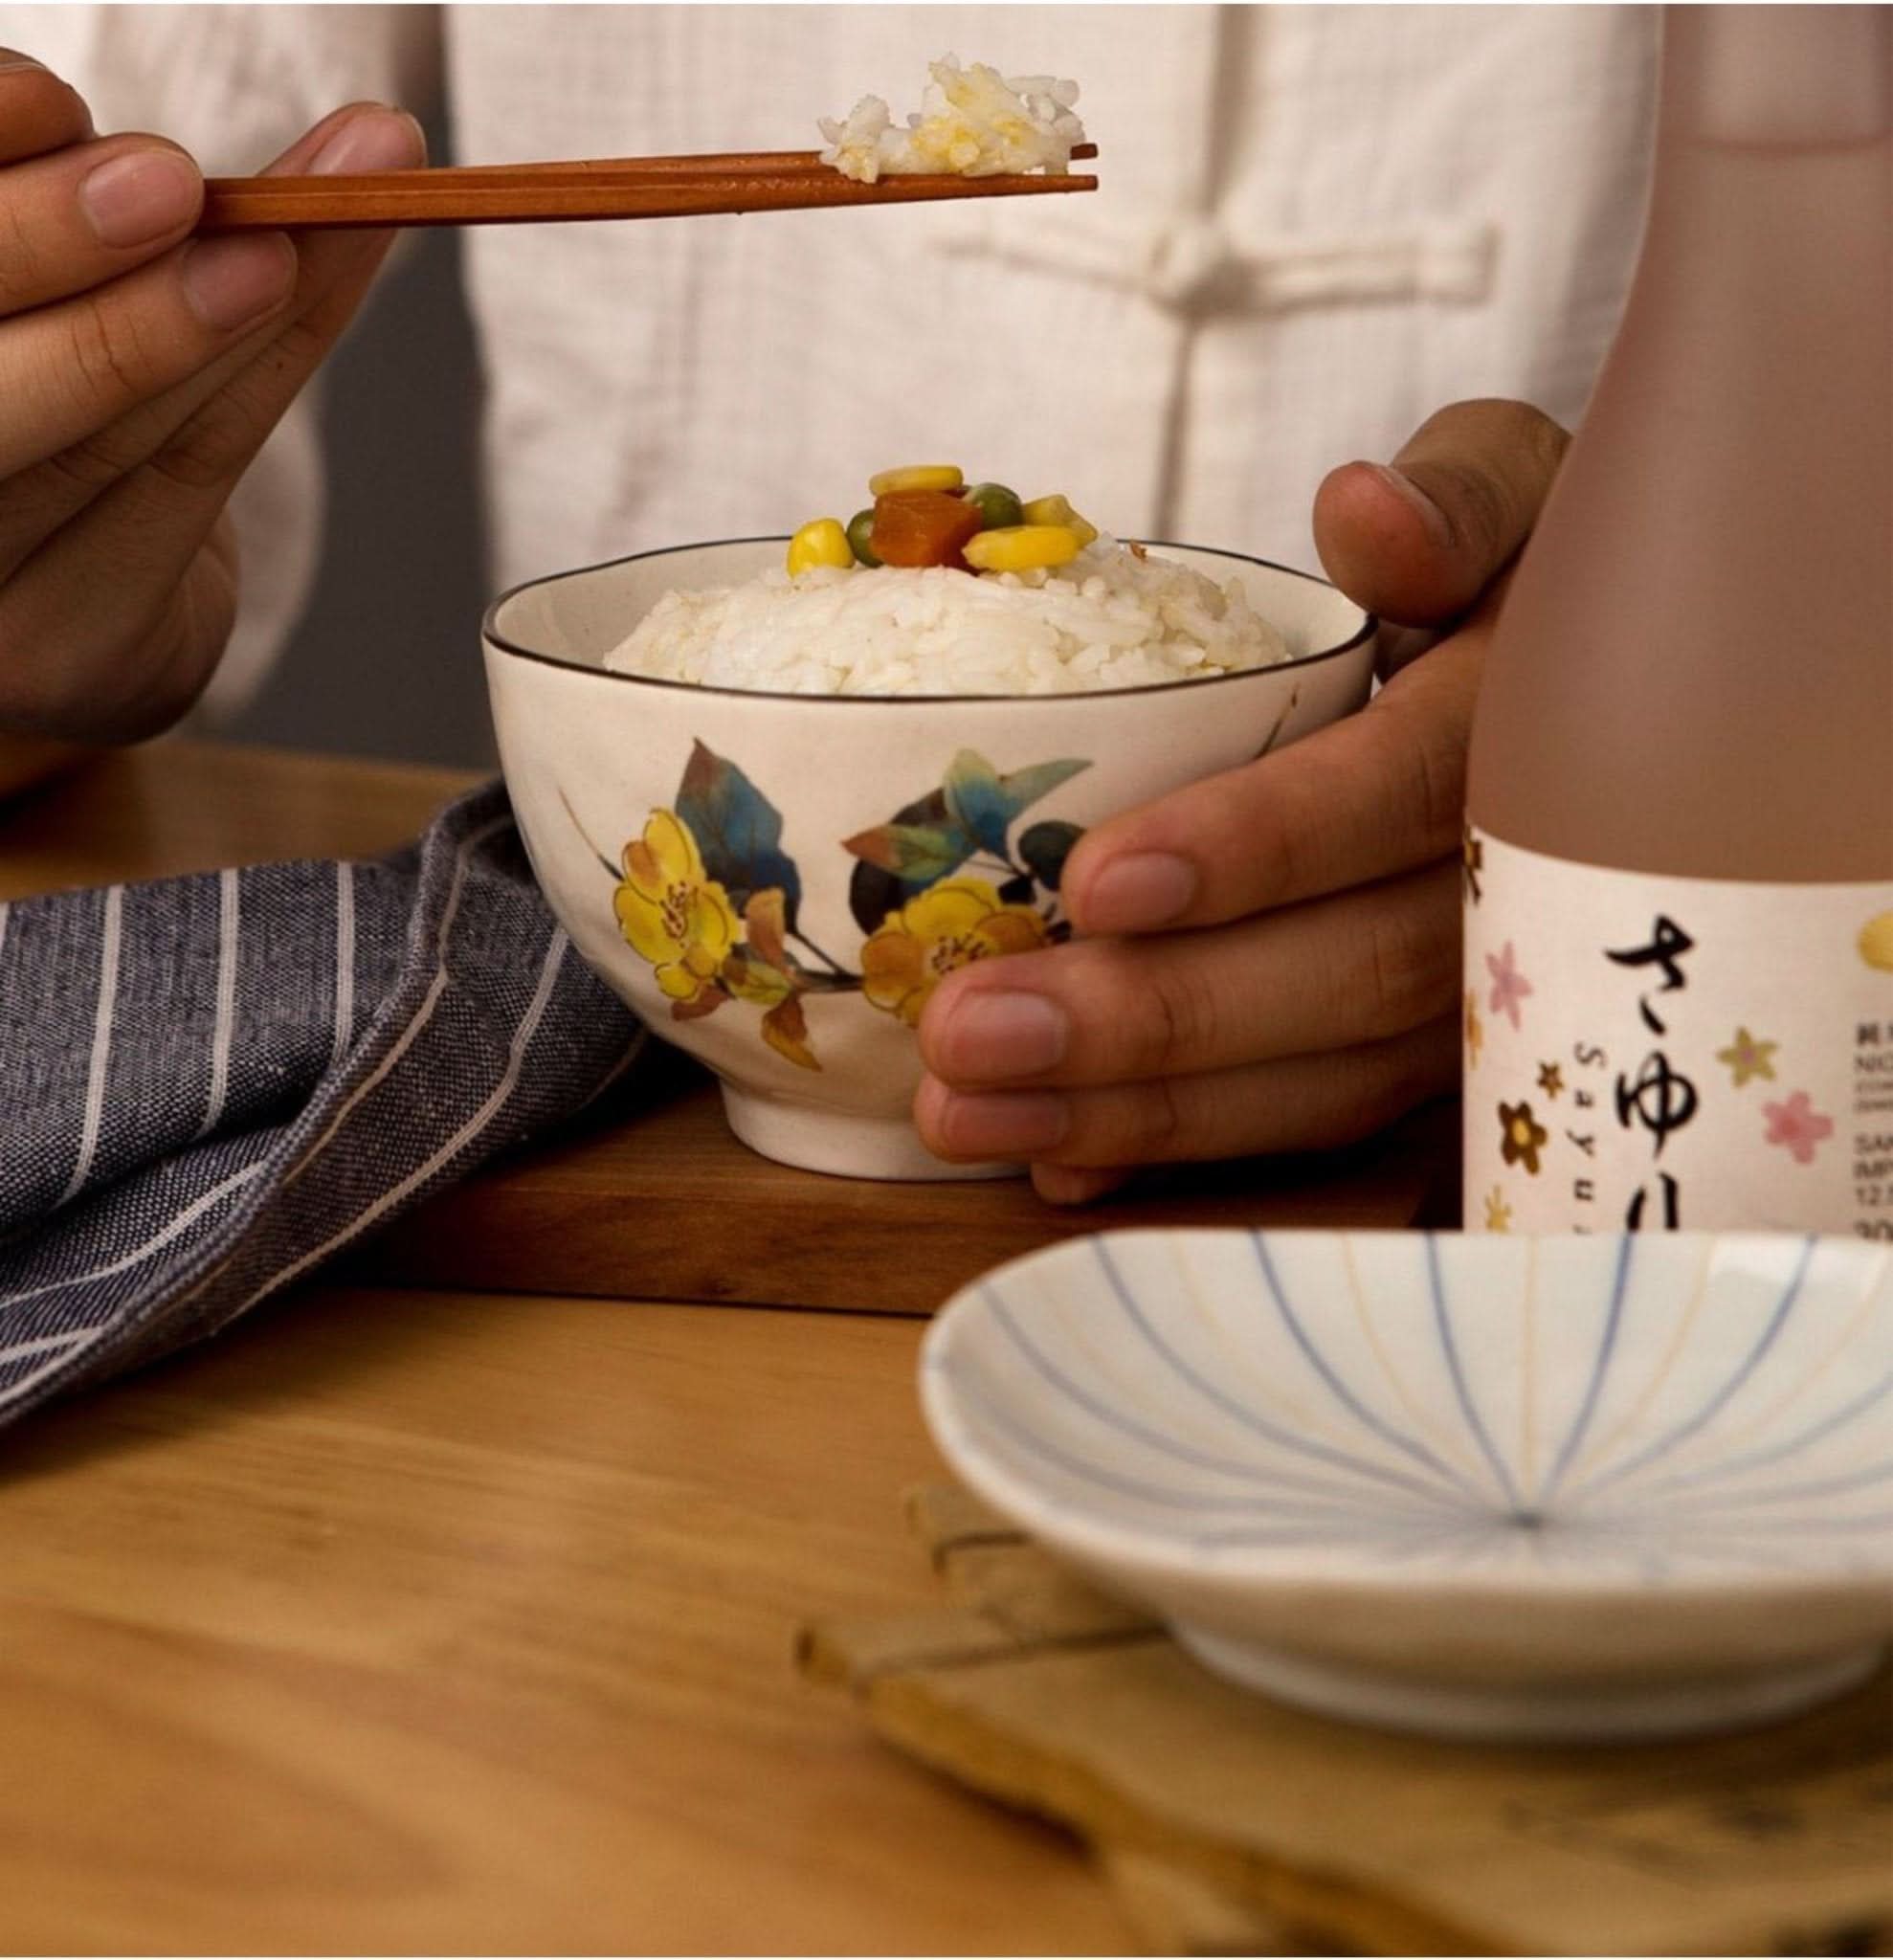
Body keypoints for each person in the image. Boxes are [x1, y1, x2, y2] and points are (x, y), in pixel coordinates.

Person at [0, 6, 1659, 1200]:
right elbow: (112, 132)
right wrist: (44, 561)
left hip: (1595, 1164)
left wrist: (1758, 687)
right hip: (640, 1193)